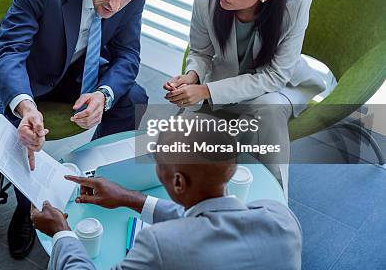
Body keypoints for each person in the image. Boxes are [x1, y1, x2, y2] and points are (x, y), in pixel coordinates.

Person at [0, 0, 154, 258]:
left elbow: (128, 54)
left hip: (76, 66)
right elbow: (10, 51)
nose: (116, 4)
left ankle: (101, 185)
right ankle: (31, 212)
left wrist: (103, 95)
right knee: (18, 130)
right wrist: (26, 106)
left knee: (134, 98)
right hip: (22, 69)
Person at [31, 113, 303, 269]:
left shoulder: (160, 246)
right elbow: (213, 221)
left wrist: (61, 233)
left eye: (157, 162)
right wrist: (129, 198)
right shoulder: (281, 217)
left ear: (178, 183)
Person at [163, 0, 326, 197]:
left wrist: (205, 90)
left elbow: (275, 76)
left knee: (269, 109)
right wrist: (192, 76)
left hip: (280, 86)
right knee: (181, 136)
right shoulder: (205, 1)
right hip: (223, 83)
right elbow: (201, 53)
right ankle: (198, 199)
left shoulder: (296, 6)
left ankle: (275, 197)